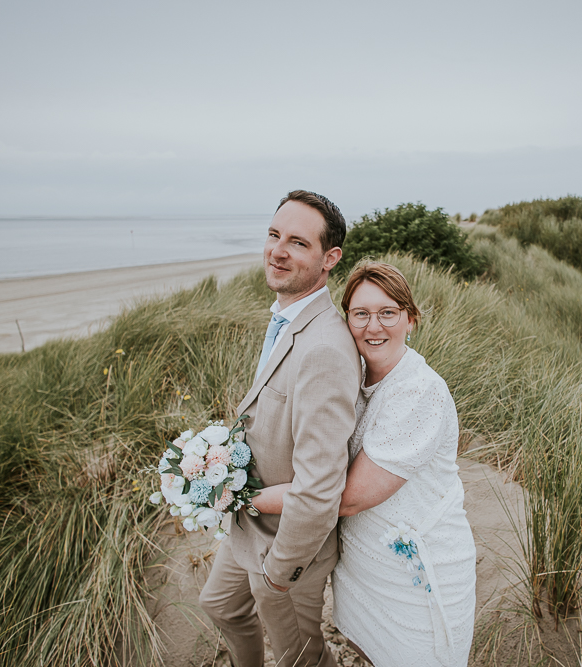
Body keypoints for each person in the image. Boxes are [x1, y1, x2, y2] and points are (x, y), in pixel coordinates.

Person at [253, 261, 477, 667]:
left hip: (414, 574)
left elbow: (350, 498)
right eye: (361, 314)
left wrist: (248, 498)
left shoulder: (420, 391)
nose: (374, 326)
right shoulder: (356, 377)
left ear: (410, 319)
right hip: (364, 566)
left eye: (388, 313)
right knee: (370, 650)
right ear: (347, 321)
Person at [199, 190, 361, 667]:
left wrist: (278, 574)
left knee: (300, 658)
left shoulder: (326, 349)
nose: (278, 251)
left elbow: (320, 488)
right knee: (221, 605)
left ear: (330, 258)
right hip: (250, 524)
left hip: (286, 546)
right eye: (273, 235)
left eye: (297, 242)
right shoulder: (287, 319)